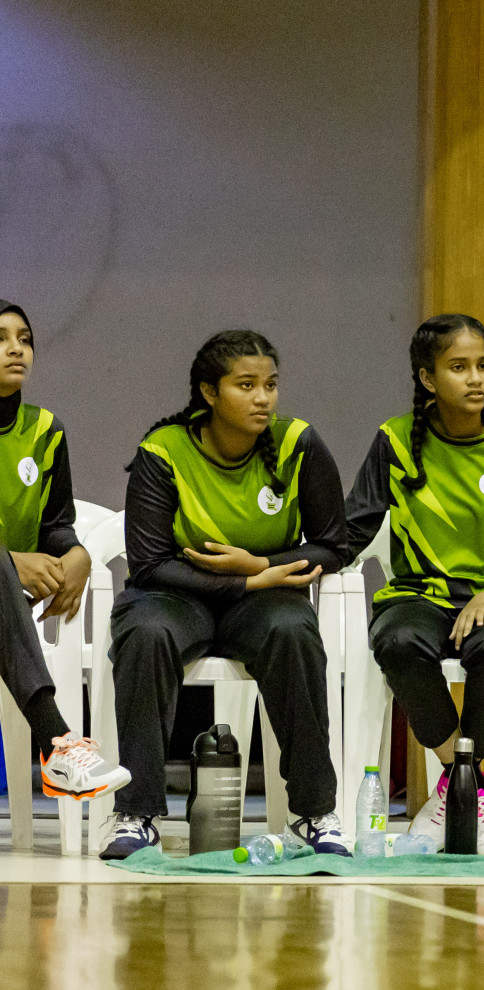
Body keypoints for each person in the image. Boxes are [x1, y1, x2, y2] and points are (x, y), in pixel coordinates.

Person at [102, 330, 347, 860]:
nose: (263, 398)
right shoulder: (163, 450)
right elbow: (149, 563)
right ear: (210, 393)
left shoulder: (298, 443)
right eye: (246, 385)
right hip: (174, 594)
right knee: (144, 632)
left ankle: (314, 813)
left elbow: (335, 544)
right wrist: (244, 580)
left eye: (271, 385)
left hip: (264, 601)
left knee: (294, 631)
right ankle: (137, 812)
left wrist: (262, 568)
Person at [346, 314, 484, 855]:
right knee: (396, 640)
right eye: (458, 367)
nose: (476, 379)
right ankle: (468, 779)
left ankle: (457, 789)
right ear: (426, 378)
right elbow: (351, 531)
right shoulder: (395, 442)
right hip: (421, 596)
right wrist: (275, 561)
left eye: (483, 366)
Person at [0, 300, 130, 800]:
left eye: (25, 339)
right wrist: (13, 562)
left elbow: (56, 526)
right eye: (3, 338)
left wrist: (77, 554)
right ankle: (57, 742)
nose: (17, 348)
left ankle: (59, 751)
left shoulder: (46, 430)